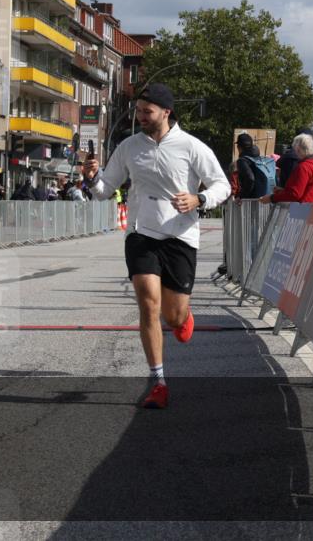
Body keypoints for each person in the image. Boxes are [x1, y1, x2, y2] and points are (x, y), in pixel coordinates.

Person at [82, 83, 230, 410]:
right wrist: (93, 177)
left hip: (179, 236)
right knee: (148, 303)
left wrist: (199, 198)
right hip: (141, 233)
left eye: (146, 112)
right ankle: (158, 381)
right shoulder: (129, 146)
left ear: (166, 112)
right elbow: (105, 190)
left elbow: (223, 185)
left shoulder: (192, 147)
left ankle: (182, 317)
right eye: (137, 111)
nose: (140, 117)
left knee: (174, 317)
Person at [259, 133, 313, 205]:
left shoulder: (304, 167)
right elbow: (307, 190)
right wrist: (284, 191)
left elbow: (294, 194)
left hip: (302, 211)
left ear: (298, 149)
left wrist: (271, 198)